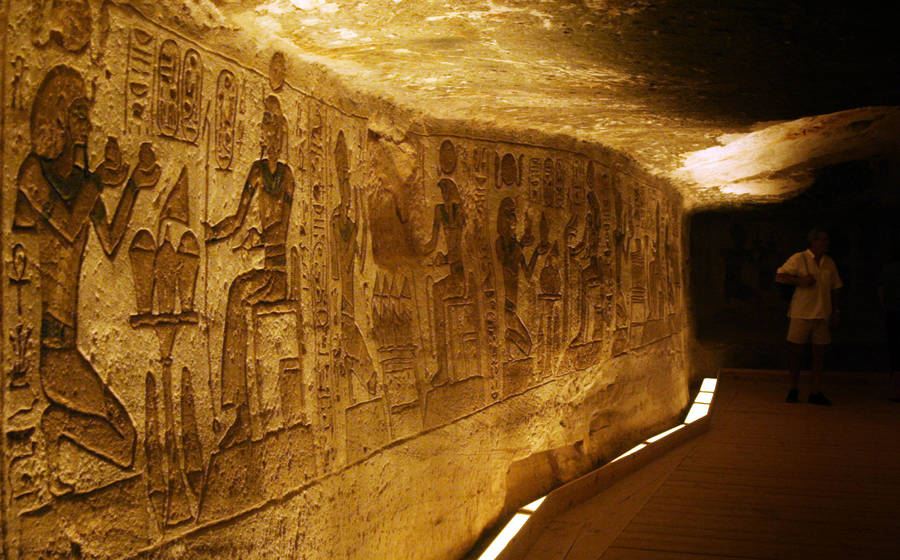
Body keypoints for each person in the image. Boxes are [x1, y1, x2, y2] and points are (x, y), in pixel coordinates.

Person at [775, 227, 842, 405]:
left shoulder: (829, 262)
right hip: (801, 313)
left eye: (827, 240)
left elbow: (835, 288)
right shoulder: (800, 258)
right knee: (795, 354)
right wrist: (799, 281)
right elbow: (779, 276)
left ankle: (815, 391)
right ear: (813, 241)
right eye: (822, 240)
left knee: (819, 355)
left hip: (822, 315)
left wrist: (836, 311)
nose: (826, 243)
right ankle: (793, 389)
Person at [877, 243, 900, 402]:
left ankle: (894, 388)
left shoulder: (888, 269)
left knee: (894, 350)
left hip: (892, 312)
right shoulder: (890, 269)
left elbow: (881, 291)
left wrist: (885, 306)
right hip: (893, 310)